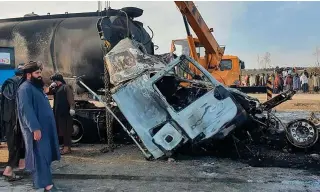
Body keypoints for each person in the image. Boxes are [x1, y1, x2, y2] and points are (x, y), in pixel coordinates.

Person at [16, 61, 61, 191]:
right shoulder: (24, 89)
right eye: (37, 73)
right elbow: (26, 110)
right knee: (39, 156)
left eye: (40, 72)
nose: (40, 75)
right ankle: (47, 185)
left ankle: (46, 182)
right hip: (37, 130)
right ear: (29, 75)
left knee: (45, 155)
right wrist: (34, 128)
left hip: (44, 129)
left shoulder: (35, 87)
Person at [0, 63, 25, 181]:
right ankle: (8, 171)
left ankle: (14, 169)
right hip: (13, 120)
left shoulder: (8, 83)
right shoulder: (17, 84)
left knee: (14, 145)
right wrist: (16, 122)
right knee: (14, 145)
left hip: (7, 119)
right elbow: (14, 105)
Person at [48, 73, 75, 155]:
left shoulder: (66, 87)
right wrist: (50, 86)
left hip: (66, 112)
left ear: (57, 80)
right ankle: (65, 147)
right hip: (58, 113)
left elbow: (70, 98)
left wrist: (72, 108)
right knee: (61, 130)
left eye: (54, 80)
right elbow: (47, 92)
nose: (53, 82)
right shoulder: (56, 88)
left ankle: (67, 148)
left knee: (66, 130)